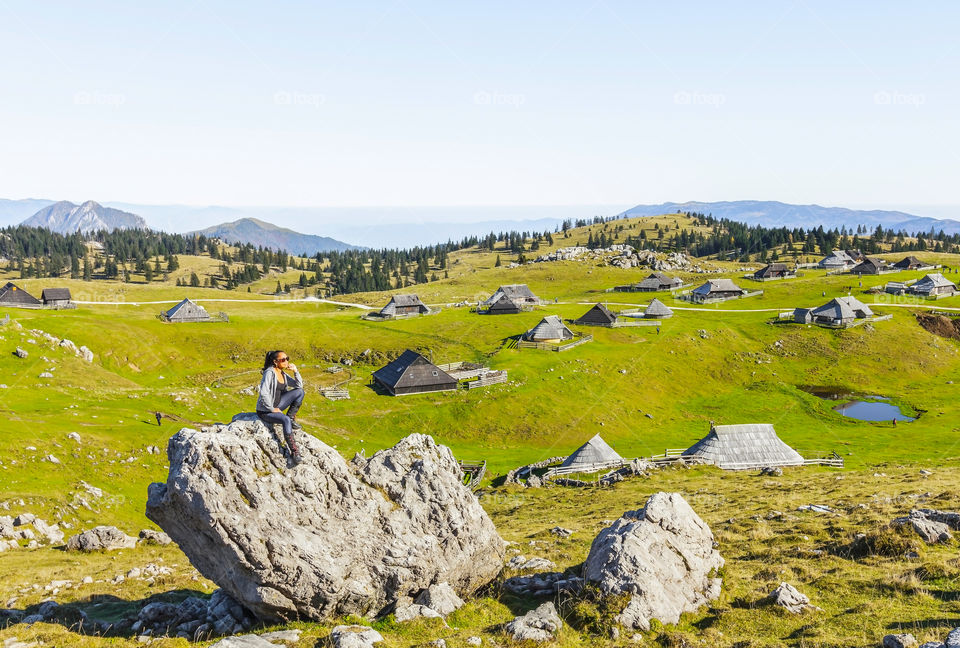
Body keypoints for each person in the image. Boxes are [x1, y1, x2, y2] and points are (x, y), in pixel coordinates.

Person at [256, 350, 305, 460]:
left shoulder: (282, 373)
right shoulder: (269, 373)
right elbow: (263, 393)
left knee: (300, 392)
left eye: (287, 358)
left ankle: (291, 418)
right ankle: (294, 451)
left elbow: (298, 385)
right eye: (283, 360)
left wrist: (295, 371)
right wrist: (272, 409)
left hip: (278, 405)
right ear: (275, 362)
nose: (286, 361)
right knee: (285, 420)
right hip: (266, 410)